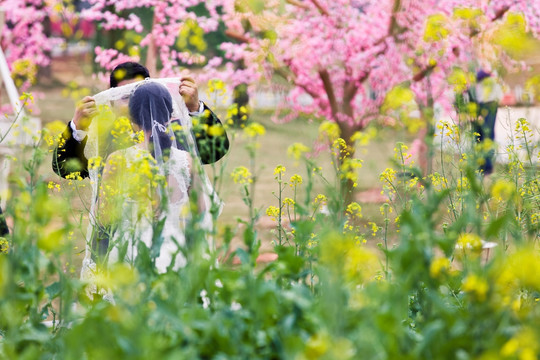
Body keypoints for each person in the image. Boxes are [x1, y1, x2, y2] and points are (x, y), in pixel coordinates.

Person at [93, 81, 208, 273]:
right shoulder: (187, 161)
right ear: (169, 116)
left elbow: (103, 219)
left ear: (132, 121)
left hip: (129, 258)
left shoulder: (118, 161)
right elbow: (201, 213)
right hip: (175, 258)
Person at [52, 62, 229, 179]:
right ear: (111, 99)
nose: (134, 103)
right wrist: (77, 128)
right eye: (125, 97)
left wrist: (195, 109)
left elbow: (213, 152)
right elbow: (65, 169)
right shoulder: (102, 135)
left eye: (138, 94)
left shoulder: (174, 129)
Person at [469, 70, 503, 175]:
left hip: (488, 103)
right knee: (478, 136)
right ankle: (481, 165)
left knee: (487, 134)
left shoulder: (487, 63)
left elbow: (484, 72)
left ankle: (487, 167)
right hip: (476, 103)